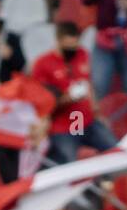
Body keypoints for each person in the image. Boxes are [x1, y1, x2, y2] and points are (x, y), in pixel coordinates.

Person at [33, 22, 118, 165]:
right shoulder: (43, 64)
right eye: (68, 46)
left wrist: (97, 112)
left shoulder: (82, 54)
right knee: (70, 165)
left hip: (84, 120)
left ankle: (116, 183)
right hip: (64, 125)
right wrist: (68, 98)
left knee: (117, 151)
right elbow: (43, 103)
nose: (72, 50)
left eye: (75, 45)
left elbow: (88, 84)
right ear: (58, 41)